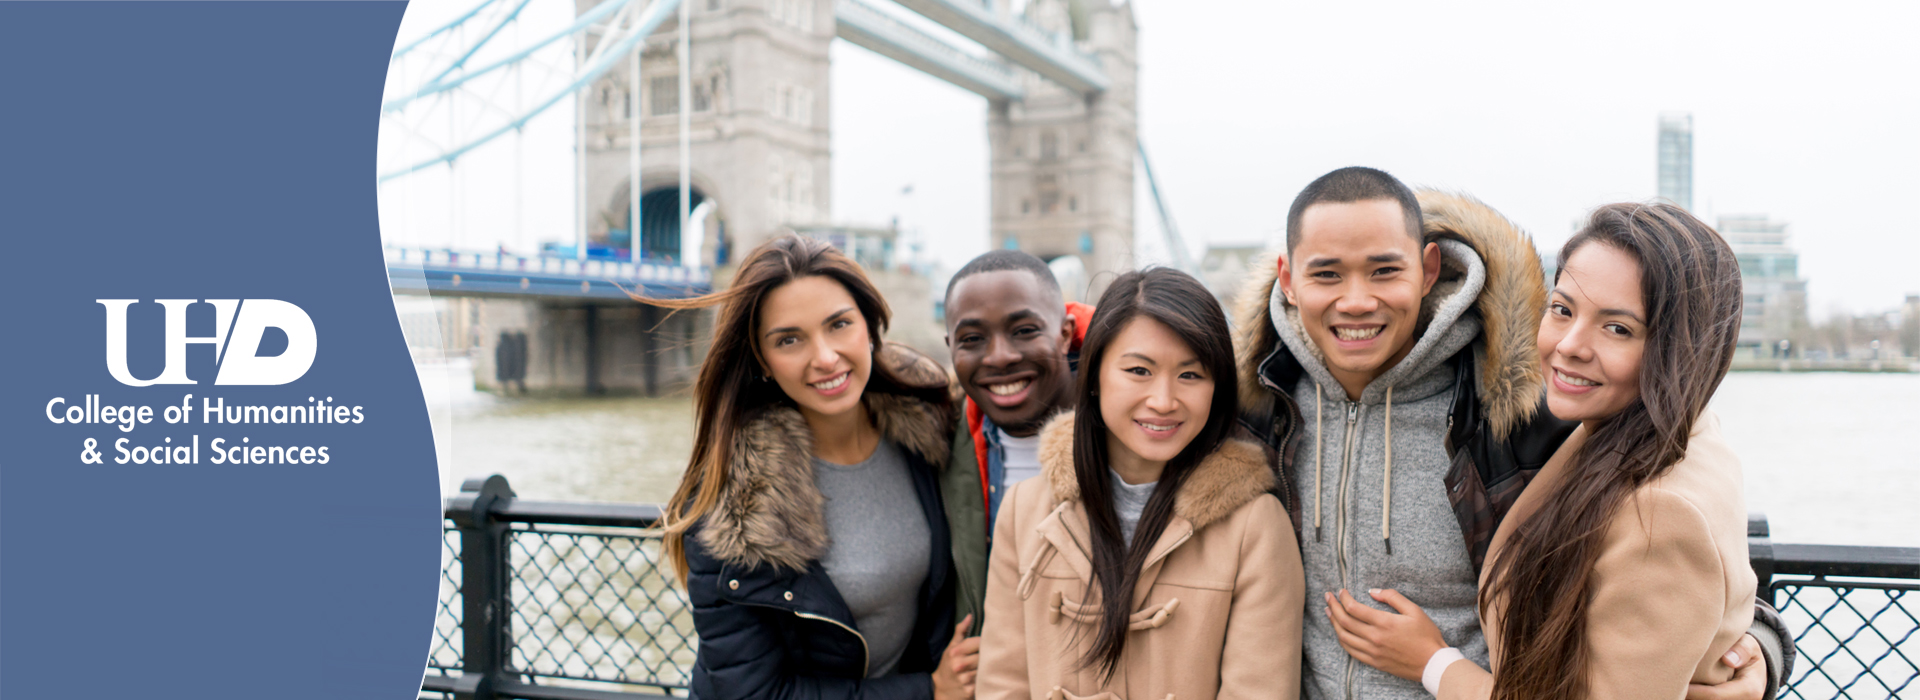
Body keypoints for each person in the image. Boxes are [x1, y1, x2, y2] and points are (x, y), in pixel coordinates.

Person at [1230, 167, 1788, 699]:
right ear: (1289, 279)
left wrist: (1759, 648)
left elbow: (1671, 562)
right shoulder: (1256, 406)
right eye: (1327, 273)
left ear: (1428, 271)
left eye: (1383, 271)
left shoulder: (1522, 406)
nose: (1356, 300)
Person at [648, 234, 980, 700]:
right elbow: (755, 695)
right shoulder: (732, 510)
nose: (824, 358)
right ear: (763, 361)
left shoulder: (933, 426)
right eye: (789, 339)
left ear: (869, 324)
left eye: (839, 324)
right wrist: (928, 690)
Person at [977, 267, 1304, 700]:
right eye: (1138, 370)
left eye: (1190, 375)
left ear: (1217, 390)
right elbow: (1003, 685)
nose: (1164, 401)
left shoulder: (1256, 526)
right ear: (1093, 376)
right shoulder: (1024, 511)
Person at [939, 250, 1092, 632]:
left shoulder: (1137, 435)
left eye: (1024, 331)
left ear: (1065, 333)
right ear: (950, 348)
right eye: (972, 339)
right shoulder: (939, 446)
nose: (1000, 357)